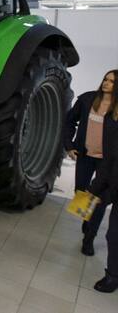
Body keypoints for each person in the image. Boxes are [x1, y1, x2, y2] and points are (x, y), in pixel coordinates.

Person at [65, 70, 118, 256]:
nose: (106, 83)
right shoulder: (87, 99)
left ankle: (89, 239)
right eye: (105, 79)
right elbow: (69, 121)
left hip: (107, 163)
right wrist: (69, 145)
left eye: (112, 81)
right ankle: (87, 220)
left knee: (100, 201)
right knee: (81, 193)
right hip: (85, 157)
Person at [87, 94, 118, 293]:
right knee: (114, 235)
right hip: (116, 185)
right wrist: (96, 188)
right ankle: (113, 276)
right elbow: (109, 158)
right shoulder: (111, 120)